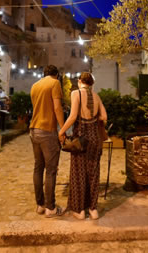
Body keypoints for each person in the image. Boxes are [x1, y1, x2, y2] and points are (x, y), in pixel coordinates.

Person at [58, 72, 107, 220]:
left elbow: (73, 116)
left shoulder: (76, 93)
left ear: (80, 81)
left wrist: (61, 131)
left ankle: (79, 211)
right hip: (95, 139)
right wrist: (94, 118)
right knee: (93, 174)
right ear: (91, 83)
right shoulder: (96, 96)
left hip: (81, 139)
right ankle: (93, 209)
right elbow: (104, 117)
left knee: (79, 174)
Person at [29, 65, 65, 217]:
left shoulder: (35, 85)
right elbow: (57, 108)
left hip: (33, 130)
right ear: (56, 74)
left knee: (38, 168)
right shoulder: (55, 83)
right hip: (47, 131)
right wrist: (62, 129)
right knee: (51, 170)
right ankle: (50, 208)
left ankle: (40, 205)